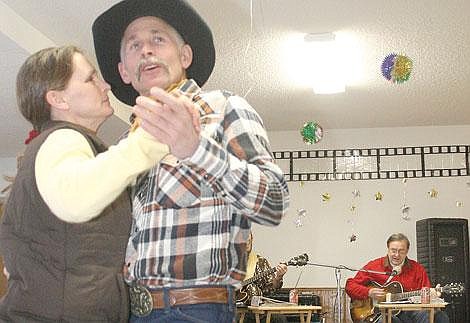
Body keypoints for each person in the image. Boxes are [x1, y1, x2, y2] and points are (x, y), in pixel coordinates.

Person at [92, 0, 290, 322]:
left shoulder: (224, 108)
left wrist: (196, 150)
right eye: (134, 45)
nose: (146, 51)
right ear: (123, 71)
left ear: (185, 55)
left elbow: (274, 202)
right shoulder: (123, 146)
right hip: (125, 310)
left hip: (194, 310)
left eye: (158, 39)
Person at [0, 45, 173, 322]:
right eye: (91, 78)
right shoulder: (62, 139)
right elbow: (74, 198)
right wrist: (156, 138)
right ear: (58, 99)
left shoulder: (66, 149)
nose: (105, 85)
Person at [345, 233, 450, 323]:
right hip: (383, 313)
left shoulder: (417, 269)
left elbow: (426, 293)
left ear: (407, 251)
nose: (396, 255)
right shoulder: (374, 266)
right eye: (393, 250)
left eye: (401, 251)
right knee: (386, 321)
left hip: (412, 312)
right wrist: (368, 292)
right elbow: (350, 286)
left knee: (440, 316)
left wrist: (433, 296)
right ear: (388, 249)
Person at [239, 231, 288, 323]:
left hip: (260, 310)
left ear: (252, 239)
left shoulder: (260, 262)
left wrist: (278, 277)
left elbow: (272, 286)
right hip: (236, 310)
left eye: (249, 241)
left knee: (279, 319)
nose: (246, 244)